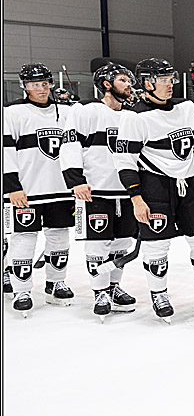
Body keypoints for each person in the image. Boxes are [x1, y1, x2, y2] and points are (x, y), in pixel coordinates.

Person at [113, 58, 194, 321]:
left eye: (170, 80)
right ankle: (159, 294)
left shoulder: (186, 107)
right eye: (163, 80)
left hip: (189, 184)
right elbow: (124, 162)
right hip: (154, 186)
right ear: (146, 83)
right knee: (157, 245)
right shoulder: (134, 116)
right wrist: (136, 198)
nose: (169, 85)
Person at [60, 63, 140, 320]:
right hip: (94, 191)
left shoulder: (132, 115)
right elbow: (70, 144)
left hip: (126, 191)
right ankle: (100, 292)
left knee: (122, 243)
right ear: (106, 84)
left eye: (129, 80)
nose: (129, 84)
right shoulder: (85, 110)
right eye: (122, 80)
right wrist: (75, 179)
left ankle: (114, 288)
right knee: (97, 244)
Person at [3, 64, 76, 315]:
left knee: (59, 236)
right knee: (24, 239)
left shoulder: (65, 112)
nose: (41, 89)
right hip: (26, 190)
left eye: (45, 83)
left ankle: (56, 283)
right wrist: (12, 187)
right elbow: (6, 151)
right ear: (25, 86)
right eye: (35, 85)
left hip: (60, 189)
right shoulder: (11, 112)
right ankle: (21, 290)